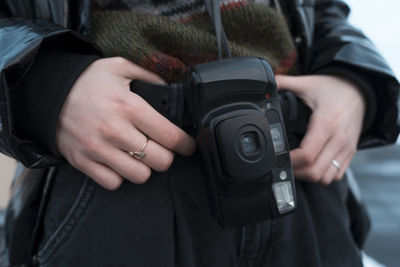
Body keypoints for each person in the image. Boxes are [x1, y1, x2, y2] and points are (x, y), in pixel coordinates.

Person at [0, 0, 399, 266]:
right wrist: (41, 86)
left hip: (299, 170)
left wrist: (353, 79)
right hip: (121, 172)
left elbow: (323, 9)